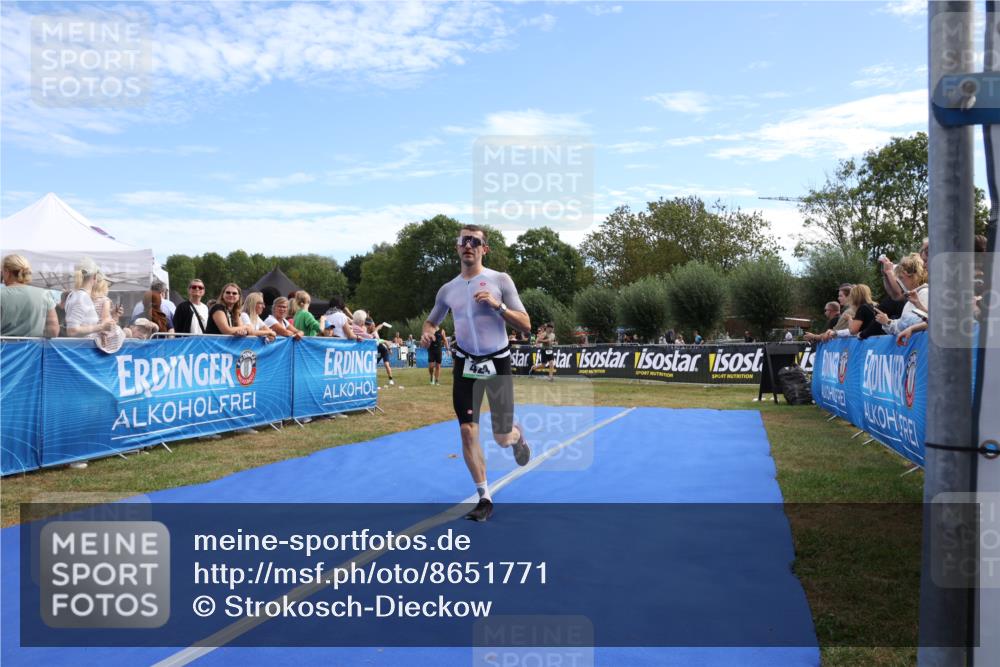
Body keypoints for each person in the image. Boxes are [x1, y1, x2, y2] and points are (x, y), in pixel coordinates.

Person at [422, 224, 531, 522]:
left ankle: (518, 437)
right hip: (465, 365)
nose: (468, 245)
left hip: (497, 362)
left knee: (501, 437)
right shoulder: (448, 289)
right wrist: (427, 332)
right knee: (467, 430)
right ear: (457, 247)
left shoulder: (500, 280)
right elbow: (432, 321)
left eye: (475, 241)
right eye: (463, 241)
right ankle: (484, 496)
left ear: (485, 249)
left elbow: (526, 324)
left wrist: (498, 307)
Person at [1, 254, 59, 337]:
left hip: (4, 349)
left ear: (7, 272)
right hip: (34, 348)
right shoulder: (44, 294)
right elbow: (53, 331)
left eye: (2, 272)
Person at [875, 254, 928, 336]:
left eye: (901, 277)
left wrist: (911, 329)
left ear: (913, 277)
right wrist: (887, 322)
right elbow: (901, 327)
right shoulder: (911, 300)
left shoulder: (925, 293)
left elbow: (932, 322)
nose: (899, 281)